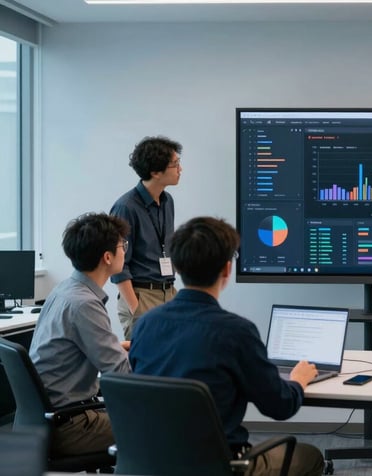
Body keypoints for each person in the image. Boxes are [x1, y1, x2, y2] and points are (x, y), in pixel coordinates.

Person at [129, 216, 324, 476]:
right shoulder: (236, 332)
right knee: (309, 456)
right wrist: (298, 381)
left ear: (175, 267)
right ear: (227, 269)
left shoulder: (146, 324)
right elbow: (279, 406)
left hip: (150, 463)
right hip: (223, 467)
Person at [29, 213, 132, 456]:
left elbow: (71, 347)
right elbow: (121, 374)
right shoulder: (85, 304)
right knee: (158, 423)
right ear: (107, 257)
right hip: (69, 426)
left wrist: (115, 347)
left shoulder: (65, 290)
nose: (124, 251)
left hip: (47, 418)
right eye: (122, 246)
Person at [110, 136, 183, 339]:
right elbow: (118, 266)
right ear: (155, 172)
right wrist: (136, 307)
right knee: (148, 365)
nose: (180, 169)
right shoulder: (125, 207)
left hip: (168, 292)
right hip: (142, 294)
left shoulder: (167, 201)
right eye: (175, 164)